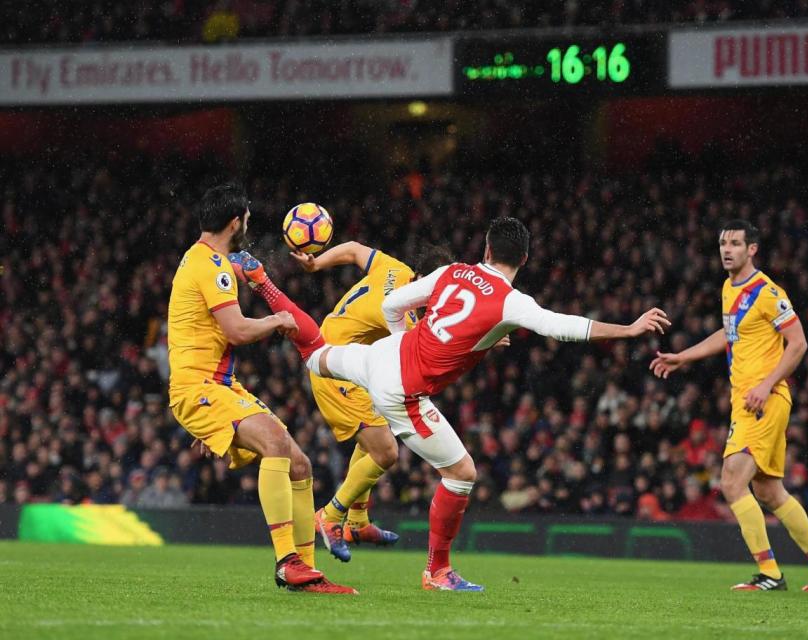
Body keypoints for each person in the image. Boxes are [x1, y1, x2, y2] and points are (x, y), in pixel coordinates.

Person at [236, 216, 670, 591]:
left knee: (314, 355)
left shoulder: (453, 272)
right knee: (461, 474)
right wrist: (629, 330)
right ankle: (437, 571)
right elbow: (562, 327)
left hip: (378, 357)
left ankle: (262, 282)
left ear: (485, 247)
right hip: (401, 391)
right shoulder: (509, 300)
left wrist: (404, 338)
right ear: (523, 260)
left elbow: (393, 303)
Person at [166, 183, 355, 594]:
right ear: (236, 222)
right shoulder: (211, 266)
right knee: (274, 443)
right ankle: (287, 561)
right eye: (247, 218)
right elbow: (236, 329)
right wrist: (276, 321)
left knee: (299, 463)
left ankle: (306, 571)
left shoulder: (201, 259)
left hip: (217, 386)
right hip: (200, 387)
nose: (248, 224)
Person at [651, 219, 808, 592]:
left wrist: (766, 384)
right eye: (723, 243)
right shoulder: (730, 288)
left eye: (736, 244)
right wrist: (684, 357)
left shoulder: (768, 292)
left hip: (763, 400)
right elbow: (729, 334)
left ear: (752, 249)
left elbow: (799, 343)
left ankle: (770, 573)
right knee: (770, 492)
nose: (727, 250)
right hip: (749, 399)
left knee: (731, 481)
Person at [231, 239, 453, 563]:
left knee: (373, 439)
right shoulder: (401, 314)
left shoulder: (395, 269)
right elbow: (421, 359)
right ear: (420, 279)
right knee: (387, 451)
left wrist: (315, 264)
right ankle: (332, 516)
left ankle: (358, 522)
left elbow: (352, 249)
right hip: (334, 367)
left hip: (348, 359)